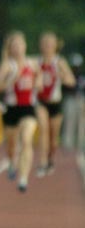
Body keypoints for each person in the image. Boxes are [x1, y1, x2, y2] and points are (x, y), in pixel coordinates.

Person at [0, 31, 41, 193]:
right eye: (14, 46)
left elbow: (39, 78)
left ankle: (23, 178)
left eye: (20, 44)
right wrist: (12, 80)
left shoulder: (33, 63)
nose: (18, 48)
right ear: (10, 48)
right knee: (12, 144)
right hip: (11, 108)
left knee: (27, 139)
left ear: (25, 46)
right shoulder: (7, 65)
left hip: (28, 107)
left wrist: (38, 83)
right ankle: (12, 162)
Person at [35, 31, 76, 176]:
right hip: (40, 102)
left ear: (55, 46)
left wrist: (63, 77)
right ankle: (42, 162)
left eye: (50, 44)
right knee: (43, 130)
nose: (47, 47)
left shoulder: (60, 62)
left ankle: (50, 158)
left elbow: (71, 81)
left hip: (55, 102)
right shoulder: (36, 62)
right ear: (41, 46)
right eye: (45, 44)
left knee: (53, 138)